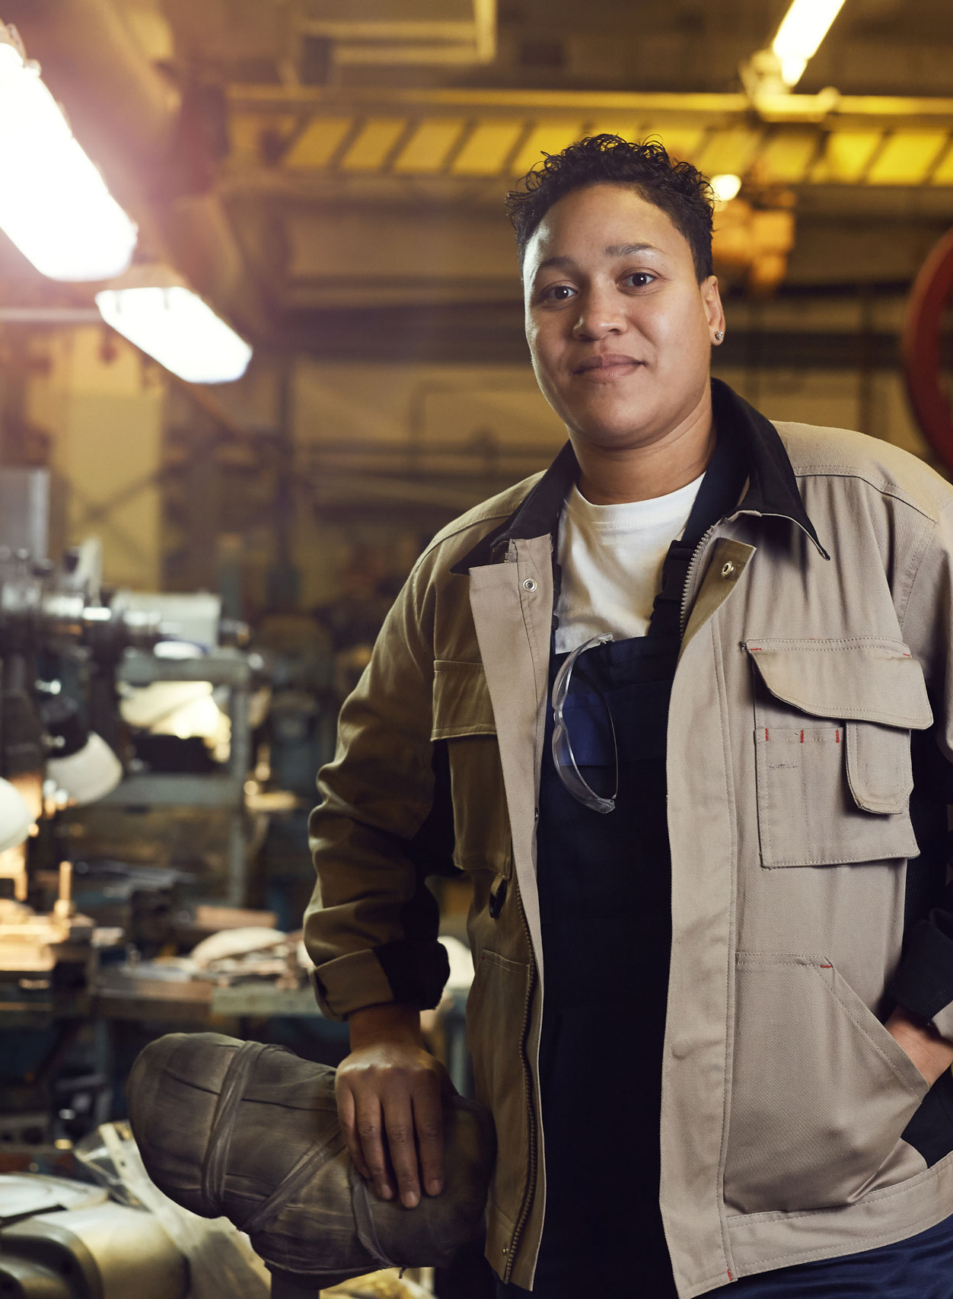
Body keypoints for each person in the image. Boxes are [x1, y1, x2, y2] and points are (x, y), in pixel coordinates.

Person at [304, 137, 953, 1297]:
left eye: (636, 277)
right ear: (529, 327)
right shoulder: (464, 577)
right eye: (557, 290)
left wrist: (914, 1039)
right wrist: (379, 1025)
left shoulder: (886, 523)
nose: (595, 316)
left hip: (827, 1224)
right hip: (546, 1208)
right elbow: (362, 818)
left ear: (707, 308)